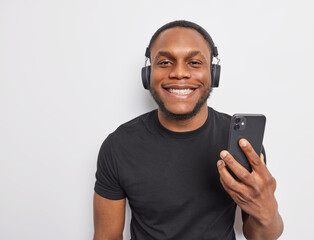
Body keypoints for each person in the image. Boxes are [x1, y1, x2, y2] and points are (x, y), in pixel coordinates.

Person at [93, 20, 283, 240]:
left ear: (213, 73)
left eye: (194, 62)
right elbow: (106, 236)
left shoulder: (241, 143)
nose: (179, 73)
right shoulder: (118, 146)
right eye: (164, 62)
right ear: (148, 74)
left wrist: (267, 210)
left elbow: (260, 236)